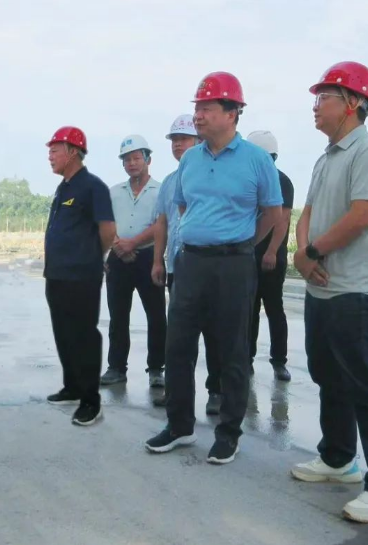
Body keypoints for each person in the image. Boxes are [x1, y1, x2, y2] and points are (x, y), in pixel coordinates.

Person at [145, 71, 282, 464]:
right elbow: (183, 206)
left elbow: (272, 213)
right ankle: (179, 426)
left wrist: (242, 243)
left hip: (234, 265)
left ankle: (228, 433)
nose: (198, 116)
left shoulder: (257, 160)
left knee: (231, 351)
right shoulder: (190, 159)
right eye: (197, 108)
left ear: (232, 113)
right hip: (190, 262)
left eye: (206, 108)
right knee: (178, 346)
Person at [290, 61, 368, 523]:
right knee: (328, 376)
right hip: (322, 289)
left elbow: (360, 217)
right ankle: (338, 458)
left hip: (356, 289)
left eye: (325, 97)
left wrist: (311, 252)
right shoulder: (326, 158)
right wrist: (303, 254)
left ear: (353, 103)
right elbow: (307, 213)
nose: (316, 106)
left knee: (365, 385)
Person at [44, 126, 116, 426]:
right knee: (63, 333)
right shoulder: (64, 188)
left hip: (81, 276)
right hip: (57, 275)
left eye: (55, 150)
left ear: (73, 152)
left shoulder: (93, 187)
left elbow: (108, 230)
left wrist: (91, 257)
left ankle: (90, 401)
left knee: (84, 335)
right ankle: (72, 385)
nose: (50, 156)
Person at [151, 114, 223, 415]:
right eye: (174, 140)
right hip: (177, 268)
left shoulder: (213, 174)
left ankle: (216, 391)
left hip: (209, 266)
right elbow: (162, 223)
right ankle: (176, 392)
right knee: (179, 336)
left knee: (215, 331)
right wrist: (158, 260)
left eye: (183, 138)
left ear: (199, 140)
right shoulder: (170, 181)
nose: (178, 144)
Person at [101, 135, 166, 388]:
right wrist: (118, 244)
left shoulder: (161, 191)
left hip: (149, 257)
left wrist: (133, 243)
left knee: (156, 316)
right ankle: (116, 367)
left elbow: (161, 225)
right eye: (127, 159)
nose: (132, 163)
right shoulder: (114, 192)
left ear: (148, 159)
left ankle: (156, 369)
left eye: (137, 158)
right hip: (118, 257)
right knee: (118, 316)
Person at [246, 130, 295, 382]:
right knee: (249, 309)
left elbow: (282, 219)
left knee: (274, 307)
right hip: (247, 255)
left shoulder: (281, 181)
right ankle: (247, 358)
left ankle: (279, 361)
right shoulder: (247, 180)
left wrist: (271, 251)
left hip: (271, 256)